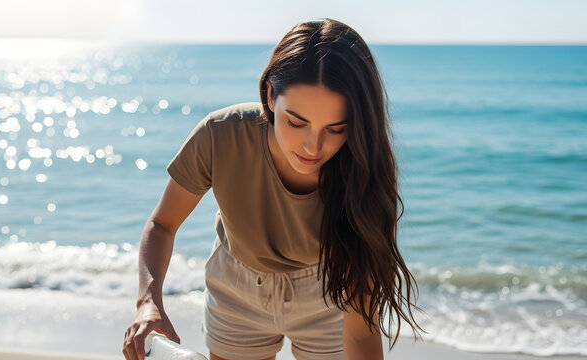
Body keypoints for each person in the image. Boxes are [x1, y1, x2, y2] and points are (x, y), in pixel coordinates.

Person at [122, 18, 424, 360]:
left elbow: (360, 332)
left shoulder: (364, 172)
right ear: (269, 94)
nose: (313, 146)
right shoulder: (220, 136)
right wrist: (148, 303)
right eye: (297, 122)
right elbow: (162, 225)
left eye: (336, 128)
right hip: (237, 287)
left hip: (329, 288)